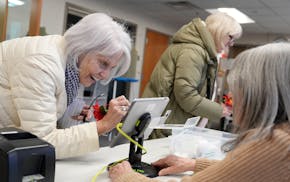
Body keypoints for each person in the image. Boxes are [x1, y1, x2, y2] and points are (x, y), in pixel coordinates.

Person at [109, 42, 290, 182]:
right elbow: (249, 170)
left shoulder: (276, 144)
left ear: (260, 94)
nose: (231, 96)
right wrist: (193, 164)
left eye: (238, 88)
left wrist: (126, 177)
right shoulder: (282, 137)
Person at [0, 13, 132, 159]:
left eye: (111, 67)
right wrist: (103, 125)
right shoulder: (42, 65)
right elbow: (41, 142)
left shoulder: (70, 63)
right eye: (103, 63)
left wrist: (71, 109)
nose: (105, 75)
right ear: (83, 48)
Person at [142, 13, 242, 139]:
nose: (232, 43)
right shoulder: (193, 51)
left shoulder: (199, 50)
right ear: (219, 31)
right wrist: (217, 110)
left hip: (172, 122)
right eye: (231, 37)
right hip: (168, 125)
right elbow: (186, 95)